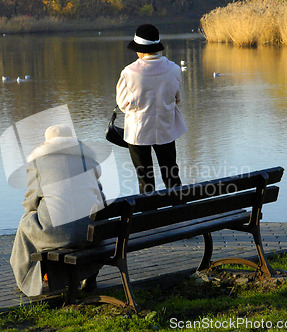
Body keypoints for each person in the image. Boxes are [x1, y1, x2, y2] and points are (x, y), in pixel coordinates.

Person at [10, 124, 104, 297]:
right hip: (94, 232)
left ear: (47, 143)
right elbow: (99, 195)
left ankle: (27, 279)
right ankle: (89, 277)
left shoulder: (38, 162)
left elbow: (31, 202)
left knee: (26, 222)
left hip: (58, 232)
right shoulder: (87, 160)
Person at [116, 24, 187, 194]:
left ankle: (150, 217)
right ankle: (179, 213)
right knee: (172, 175)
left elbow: (122, 103)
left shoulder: (129, 73)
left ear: (139, 49)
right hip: (166, 128)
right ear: (156, 48)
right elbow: (179, 99)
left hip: (137, 131)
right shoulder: (174, 69)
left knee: (145, 181)